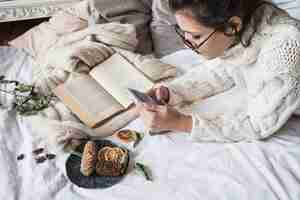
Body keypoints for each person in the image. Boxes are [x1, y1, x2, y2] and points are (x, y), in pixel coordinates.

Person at [137, 0, 300, 142]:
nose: (188, 44)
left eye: (196, 36)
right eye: (183, 32)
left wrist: (181, 122)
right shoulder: (247, 20)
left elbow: (258, 125)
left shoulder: (285, 49)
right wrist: (172, 91)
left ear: (233, 26)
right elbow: (222, 69)